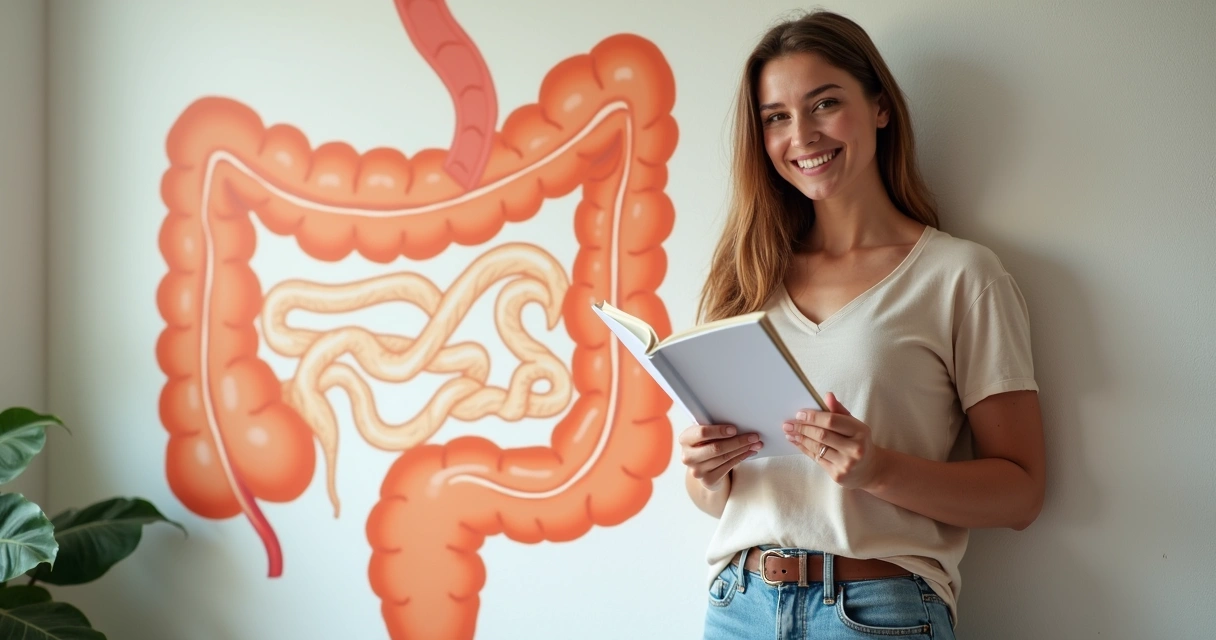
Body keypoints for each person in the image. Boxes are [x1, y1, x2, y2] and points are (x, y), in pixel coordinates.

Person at [680, 10, 1046, 639]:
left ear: (880, 107)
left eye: (824, 104)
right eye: (776, 117)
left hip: (877, 613)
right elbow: (721, 499)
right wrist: (703, 472)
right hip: (738, 604)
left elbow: (1021, 494)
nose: (802, 135)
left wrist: (878, 470)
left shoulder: (960, 276)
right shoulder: (746, 278)